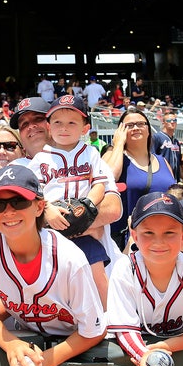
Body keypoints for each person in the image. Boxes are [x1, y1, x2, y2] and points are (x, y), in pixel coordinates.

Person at [0, 165, 105, 366]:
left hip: (77, 347)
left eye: (19, 202)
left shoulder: (69, 258)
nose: (9, 212)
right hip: (29, 342)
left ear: (39, 207)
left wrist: (48, 362)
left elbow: (94, 329)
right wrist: (12, 344)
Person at [106, 192, 183, 366]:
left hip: (174, 365)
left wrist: (166, 347)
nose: (159, 242)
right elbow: (125, 330)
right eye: (148, 233)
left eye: (169, 233)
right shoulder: (125, 268)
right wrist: (145, 357)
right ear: (134, 235)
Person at [30, 96, 113, 301]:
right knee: (55, 278)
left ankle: (110, 316)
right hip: (53, 229)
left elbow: (99, 184)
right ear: (48, 127)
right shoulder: (41, 158)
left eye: (72, 122)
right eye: (57, 122)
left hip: (83, 225)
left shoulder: (91, 153)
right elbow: (35, 193)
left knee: (97, 273)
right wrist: (47, 210)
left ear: (85, 129)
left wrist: (88, 206)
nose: (64, 128)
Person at [103, 109, 175, 252]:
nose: (136, 127)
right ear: (120, 130)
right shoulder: (111, 156)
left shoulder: (163, 161)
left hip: (163, 238)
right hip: (127, 242)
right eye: (129, 125)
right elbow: (109, 177)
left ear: (148, 130)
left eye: (140, 124)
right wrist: (118, 144)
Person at [153, 112, 182, 182]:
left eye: (174, 120)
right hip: (161, 177)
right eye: (169, 120)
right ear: (163, 123)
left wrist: (182, 178)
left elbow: (179, 162)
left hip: (175, 178)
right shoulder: (157, 137)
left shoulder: (176, 141)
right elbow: (152, 157)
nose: (172, 122)